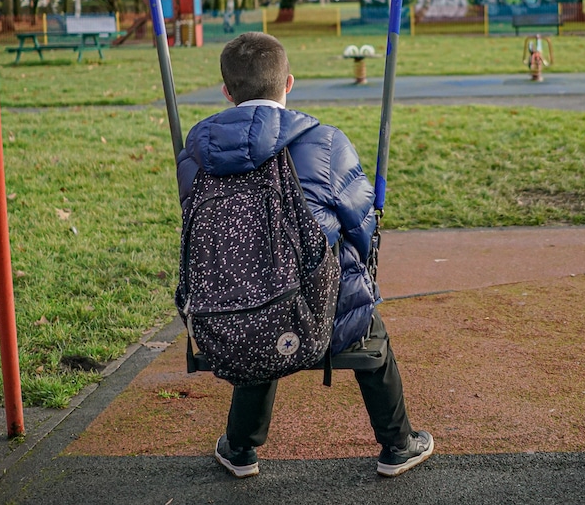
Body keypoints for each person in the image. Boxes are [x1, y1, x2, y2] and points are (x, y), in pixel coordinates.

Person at [176, 32, 434, 479]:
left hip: (228, 316)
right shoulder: (326, 142)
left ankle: (240, 448)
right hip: (319, 311)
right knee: (358, 306)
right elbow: (360, 225)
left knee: (256, 290)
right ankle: (397, 444)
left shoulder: (196, 152)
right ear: (288, 83)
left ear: (225, 90)